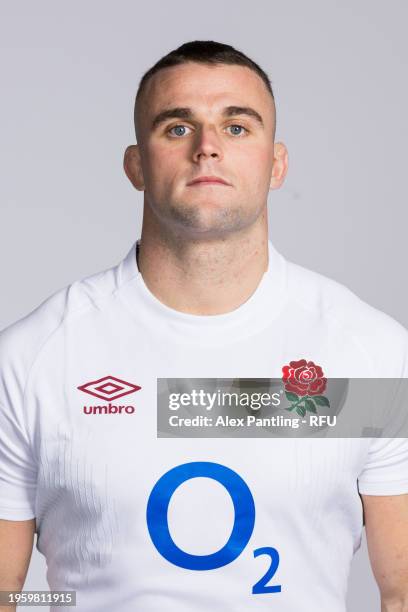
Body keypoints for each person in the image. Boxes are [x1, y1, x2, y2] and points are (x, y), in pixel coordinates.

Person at [0, 40, 407, 612]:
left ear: (277, 162)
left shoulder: (371, 355)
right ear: (136, 165)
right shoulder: (31, 358)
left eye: (237, 127)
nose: (207, 149)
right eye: (176, 128)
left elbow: (402, 591)